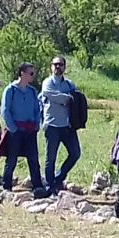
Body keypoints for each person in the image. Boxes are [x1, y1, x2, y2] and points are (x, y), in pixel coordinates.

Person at [1, 63, 44, 194]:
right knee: (12, 158)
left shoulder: (32, 92)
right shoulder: (10, 90)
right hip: (16, 130)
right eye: (30, 73)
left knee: (33, 159)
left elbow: (38, 109)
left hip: (30, 130)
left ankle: (37, 186)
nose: (33, 76)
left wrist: (37, 124)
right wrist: (12, 128)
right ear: (22, 73)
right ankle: (6, 185)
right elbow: (5, 110)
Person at [40, 56, 81, 193]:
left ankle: (58, 179)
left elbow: (76, 99)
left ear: (65, 67)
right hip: (52, 125)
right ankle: (49, 186)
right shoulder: (47, 82)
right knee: (50, 158)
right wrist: (67, 98)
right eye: (55, 64)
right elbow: (49, 94)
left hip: (68, 126)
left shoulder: (69, 84)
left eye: (61, 64)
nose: (58, 67)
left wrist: (66, 98)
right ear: (51, 66)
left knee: (75, 153)